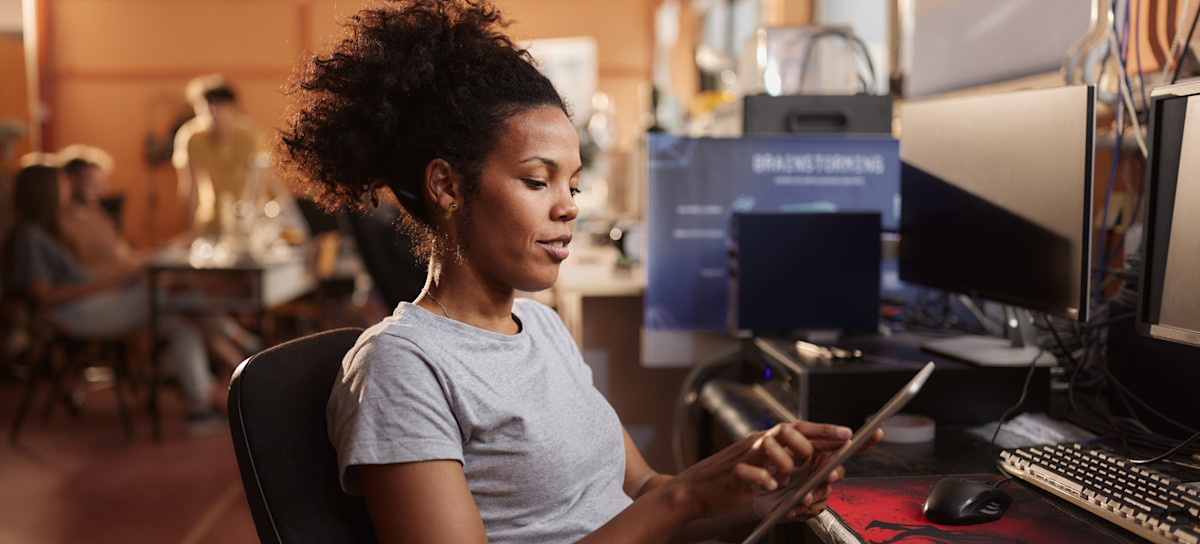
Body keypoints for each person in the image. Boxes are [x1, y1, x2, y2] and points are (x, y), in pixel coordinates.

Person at [278, 2, 879, 542]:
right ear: (448, 186)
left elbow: (640, 495)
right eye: (538, 181)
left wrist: (756, 502)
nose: (568, 205)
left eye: (575, 184)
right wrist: (684, 495)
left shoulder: (543, 330)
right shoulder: (401, 366)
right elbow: (664, 504)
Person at [1, 163, 223, 427]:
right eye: (61, 185)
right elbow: (41, 295)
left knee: (180, 321)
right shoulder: (30, 236)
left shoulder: (50, 231)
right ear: (45, 192)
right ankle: (241, 348)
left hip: (91, 303)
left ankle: (200, 409)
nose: (67, 190)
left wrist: (112, 281)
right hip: (72, 314)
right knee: (173, 296)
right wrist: (103, 286)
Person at [172, 74, 267, 234]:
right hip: (209, 221)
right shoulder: (191, 137)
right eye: (207, 105)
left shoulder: (250, 136)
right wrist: (189, 230)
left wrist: (256, 222)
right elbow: (189, 187)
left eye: (220, 104)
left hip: (246, 221)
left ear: (232, 106)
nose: (213, 112)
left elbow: (258, 183)